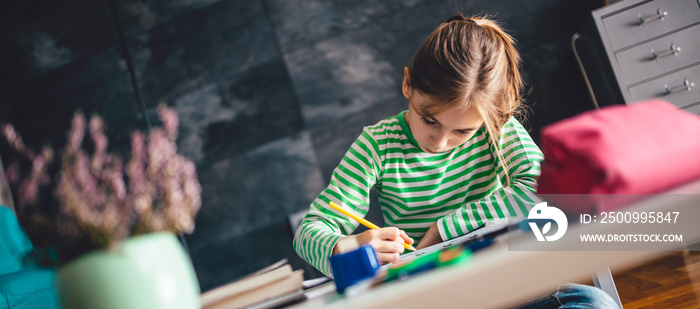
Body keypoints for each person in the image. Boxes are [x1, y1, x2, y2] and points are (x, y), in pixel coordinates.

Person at [293, 14, 618, 308]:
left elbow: (543, 191)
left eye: (462, 131)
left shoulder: (498, 128)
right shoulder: (377, 146)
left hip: (511, 284)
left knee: (592, 303)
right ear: (408, 83)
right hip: (437, 296)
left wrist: (445, 227)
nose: (440, 142)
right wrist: (347, 245)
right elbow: (310, 232)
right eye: (429, 120)